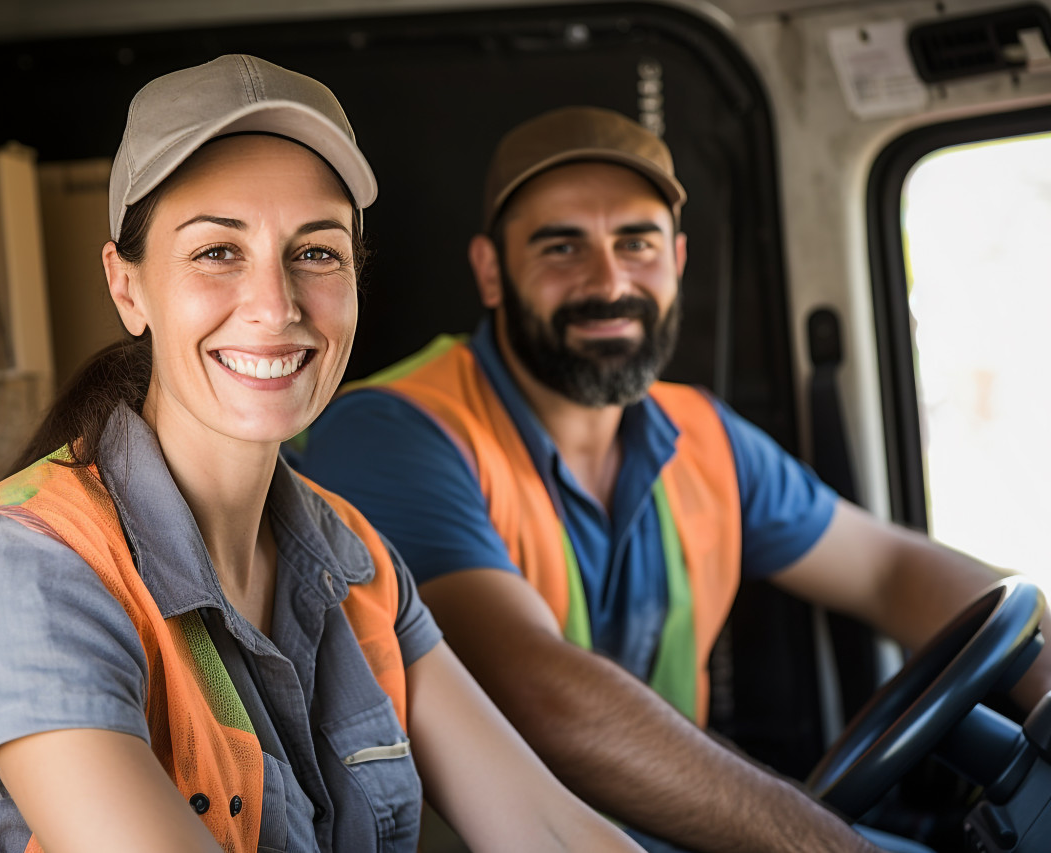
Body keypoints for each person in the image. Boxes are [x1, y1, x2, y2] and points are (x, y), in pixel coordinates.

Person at [0, 59, 641, 853]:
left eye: (317, 253)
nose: (276, 305)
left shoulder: (357, 563)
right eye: (217, 252)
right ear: (127, 288)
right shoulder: (24, 569)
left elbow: (549, 828)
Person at [297, 105, 1051, 852]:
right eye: (562, 247)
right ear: (492, 272)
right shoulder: (394, 431)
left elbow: (891, 568)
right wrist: (824, 843)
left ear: (678, 260)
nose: (609, 280)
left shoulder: (703, 434)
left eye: (638, 243)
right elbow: (538, 691)